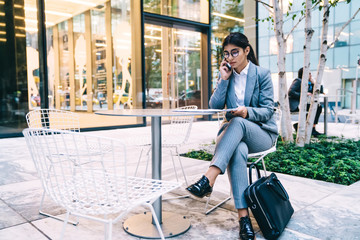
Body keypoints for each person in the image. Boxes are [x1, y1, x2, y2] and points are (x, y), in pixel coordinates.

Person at [186, 32, 278, 240]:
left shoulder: (261, 74)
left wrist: (247, 112)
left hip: (261, 132)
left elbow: (268, 110)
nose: (230, 57)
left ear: (246, 51)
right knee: (237, 151)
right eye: (226, 53)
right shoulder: (226, 75)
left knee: (237, 121)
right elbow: (215, 106)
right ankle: (243, 218)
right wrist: (224, 80)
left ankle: (209, 178)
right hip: (234, 138)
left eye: (234, 52)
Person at [288, 67, 323, 136]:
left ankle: (307, 127)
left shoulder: (309, 82)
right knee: (316, 108)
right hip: (297, 104)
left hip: (305, 103)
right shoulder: (298, 81)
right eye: (309, 73)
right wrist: (304, 94)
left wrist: (313, 82)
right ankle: (311, 129)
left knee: (318, 107)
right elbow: (290, 92)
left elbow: (320, 90)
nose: (311, 75)